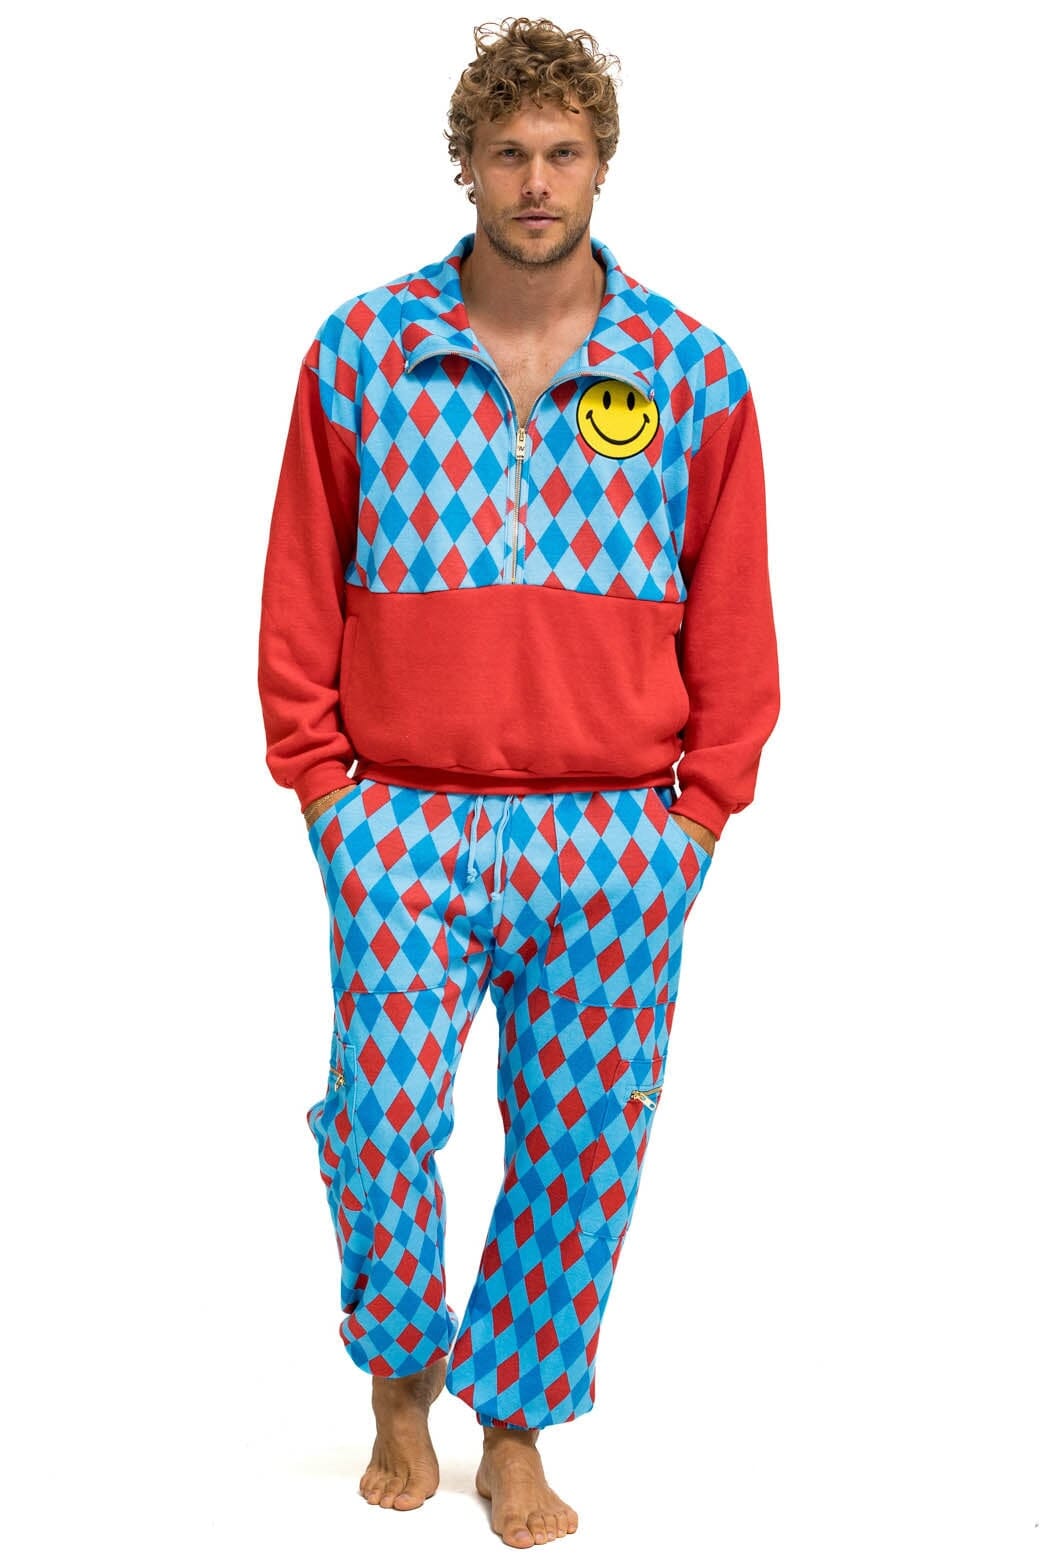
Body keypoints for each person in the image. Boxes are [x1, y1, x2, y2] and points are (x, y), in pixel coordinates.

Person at [257, 15, 780, 1549]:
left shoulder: (689, 371)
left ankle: (515, 1428)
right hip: (403, 822)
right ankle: (398, 1382)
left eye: (562, 152)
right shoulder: (364, 352)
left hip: (615, 834)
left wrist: (696, 818)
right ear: (467, 167)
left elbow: (734, 615)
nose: (536, 180)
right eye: (508, 153)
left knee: (581, 1144)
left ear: (601, 166)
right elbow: (298, 585)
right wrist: (324, 788)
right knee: (378, 1119)